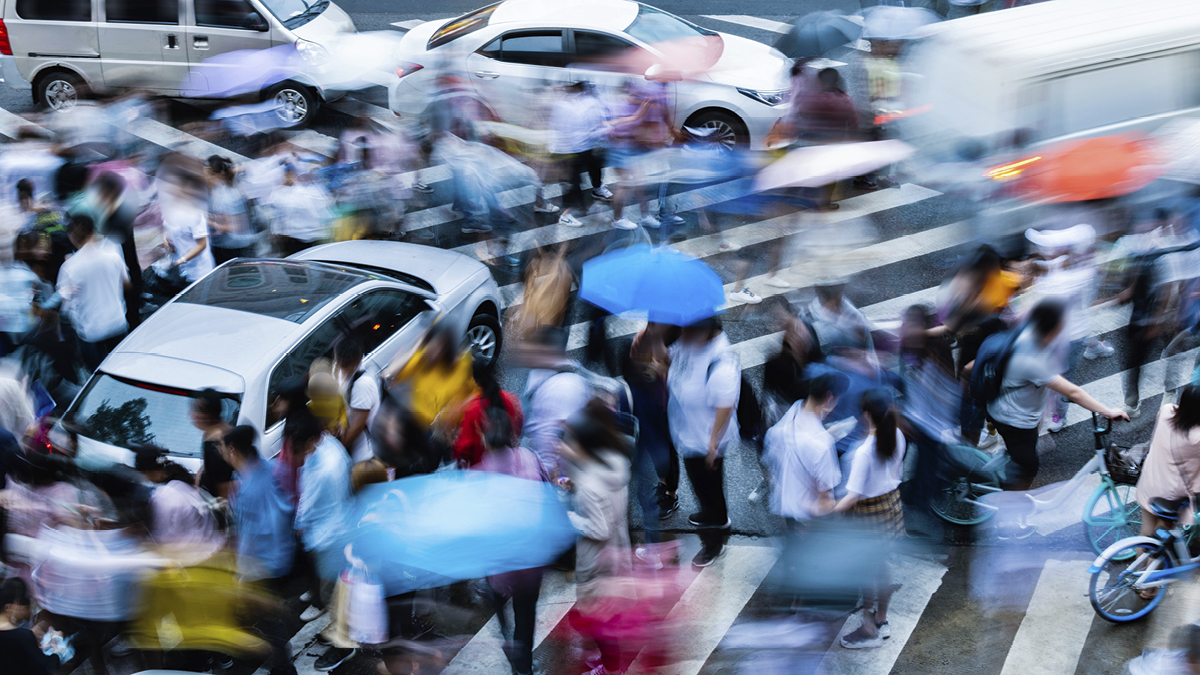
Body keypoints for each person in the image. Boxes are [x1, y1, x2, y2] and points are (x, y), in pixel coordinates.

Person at [983, 299, 1128, 494]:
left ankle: (1006, 462)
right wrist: (1108, 411)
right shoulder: (1032, 359)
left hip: (1010, 410)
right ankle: (1006, 503)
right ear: (1055, 327)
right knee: (1027, 469)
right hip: (1014, 421)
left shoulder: (1028, 334)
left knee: (1019, 454)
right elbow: (1072, 392)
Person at [560, 401, 633, 675]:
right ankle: (612, 664)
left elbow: (598, 528)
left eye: (571, 440)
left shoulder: (589, 486)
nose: (566, 444)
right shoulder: (614, 463)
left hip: (597, 562)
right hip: (617, 549)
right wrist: (576, 484)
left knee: (600, 622)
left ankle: (612, 669)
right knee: (609, 615)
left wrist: (570, 519)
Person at [474, 405, 546, 675]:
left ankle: (510, 644)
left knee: (499, 604)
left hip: (501, 563)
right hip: (532, 560)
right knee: (526, 615)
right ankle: (523, 667)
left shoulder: (480, 476)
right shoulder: (529, 457)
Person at [832, 390, 907, 649]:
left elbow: (853, 496)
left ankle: (868, 629)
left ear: (866, 414)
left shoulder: (864, 452)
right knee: (882, 567)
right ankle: (881, 619)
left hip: (869, 513)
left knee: (866, 571)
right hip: (891, 507)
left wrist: (828, 510)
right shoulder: (896, 435)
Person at [220, 425, 297, 675]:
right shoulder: (275, 468)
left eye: (222, 447)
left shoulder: (246, 490)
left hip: (262, 564)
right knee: (264, 613)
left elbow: (249, 539)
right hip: (283, 553)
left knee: (268, 619)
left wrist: (242, 576)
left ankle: (284, 667)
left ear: (232, 449)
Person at [665, 317, 739, 567]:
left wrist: (712, 443)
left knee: (708, 489)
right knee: (704, 488)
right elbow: (672, 359)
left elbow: (725, 406)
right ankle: (713, 515)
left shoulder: (721, 362)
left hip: (705, 442)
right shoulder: (689, 340)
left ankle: (714, 541)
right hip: (688, 434)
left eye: (690, 327)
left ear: (706, 330)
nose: (683, 330)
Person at [764, 371, 850, 526]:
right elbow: (825, 503)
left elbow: (771, 469)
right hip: (808, 525)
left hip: (786, 514)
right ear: (829, 398)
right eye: (837, 399)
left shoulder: (780, 428)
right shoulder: (822, 445)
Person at [56, 214, 130, 371]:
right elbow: (126, 284)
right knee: (123, 369)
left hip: (91, 332)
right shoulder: (113, 256)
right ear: (93, 231)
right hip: (117, 322)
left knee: (98, 376)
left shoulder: (70, 267)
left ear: (72, 236)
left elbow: (65, 303)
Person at [518, 326, 593, 477]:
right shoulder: (540, 371)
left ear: (545, 352)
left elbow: (552, 442)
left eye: (530, 352)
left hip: (551, 472)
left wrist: (549, 475)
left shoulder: (564, 389)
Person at [383, 322, 477, 432]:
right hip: (422, 428)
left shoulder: (463, 365)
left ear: (448, 349)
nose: (436, 353)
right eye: (432, 347)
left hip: (451, 431)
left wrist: (457, 410)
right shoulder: (422, 359)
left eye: (441, 348)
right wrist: (417, 346)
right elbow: (387, 374)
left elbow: (478, 395)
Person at [135, 446, 224, 555]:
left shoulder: (162, 496)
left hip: (194, 558)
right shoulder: (185, 483)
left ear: (146, 472)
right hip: (212, 548)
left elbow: (165, 538)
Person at [1136, 385, 1200, 538]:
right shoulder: (1196, 437)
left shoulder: (1166, 411)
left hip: (1150, 482)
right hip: (1170, 494)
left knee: (1146, 533)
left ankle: (1140, 561)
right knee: (1160, 539)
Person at [549, 81, 612, 228]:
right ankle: (565, 216)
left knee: (594, 164)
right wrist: (606, 130)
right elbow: (583, 132)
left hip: (577, 148)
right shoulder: (570, 107)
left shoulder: (574, 104)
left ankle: (597, 189)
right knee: (573, 183)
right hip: (567, 151)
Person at [90, 171, 143, 329]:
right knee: (132, 311)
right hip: (130, 269)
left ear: (110, 192)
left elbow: (115, 249)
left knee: (131, 314)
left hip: (126, 272)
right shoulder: (119, 209)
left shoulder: (117, 217)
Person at [453, 361, 524, 468]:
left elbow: (464, 447)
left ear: (475, 381)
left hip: (480, 468)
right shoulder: (511, 399)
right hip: (507, 463)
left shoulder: (472, 408)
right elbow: (518, 428)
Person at [0, 577, 62, 675]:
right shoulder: (22, 637)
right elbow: (44, 667)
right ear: (10, 607)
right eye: (25, 602)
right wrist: (58, 653)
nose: (29, 607)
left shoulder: (23, 636)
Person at [332, 338, 381, 463]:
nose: (341, 370)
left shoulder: (362, 384)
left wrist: (335, 452)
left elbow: (357, 427)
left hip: (367, 455)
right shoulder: (339, 373)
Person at [205, 155, 258, 264]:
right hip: (225, 246)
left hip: (236, 248)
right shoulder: (218, 191)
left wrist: (208, 222)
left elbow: (237, 226)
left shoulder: (229, 196)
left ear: (214, 174)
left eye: (205, 173)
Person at [192, 388, 235, 500]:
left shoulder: (216, 444)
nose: (194, 414)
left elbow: (224, 487)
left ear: (209, 415)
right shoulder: (213, 433)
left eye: (198, 410)